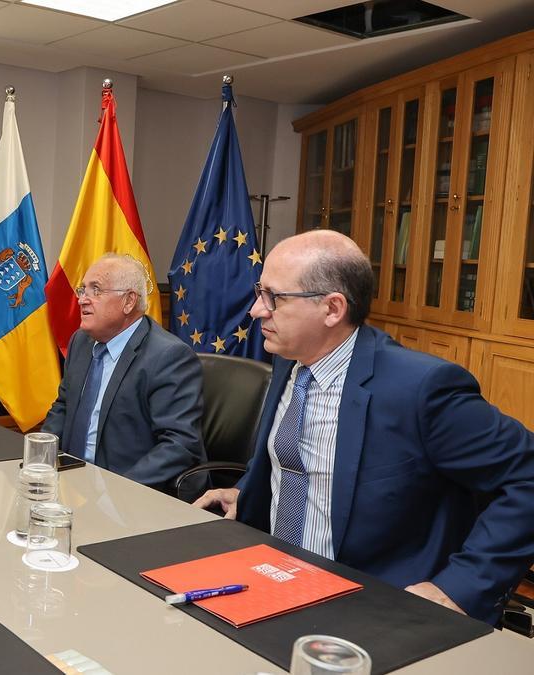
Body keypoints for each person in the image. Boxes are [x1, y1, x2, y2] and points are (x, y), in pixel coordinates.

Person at [195, 230, 534, 624]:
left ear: (332, 309)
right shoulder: (292, 359)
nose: (255, 310)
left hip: (371, 604)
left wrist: (459, 587)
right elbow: (295, 455)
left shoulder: (422, 389)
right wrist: (248, 492)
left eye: (274, 297)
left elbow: (527, 477)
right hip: (273, 576)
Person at [41, 253, 205, 495]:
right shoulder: (81, 342)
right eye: (82, 290)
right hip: (73, 486)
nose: (82, 300)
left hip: (131, 492)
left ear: (129, 301)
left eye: (95, 290)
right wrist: (41, 459)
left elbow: (179, 445)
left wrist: (117, 493)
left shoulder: (169, 357)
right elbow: (64, 405)